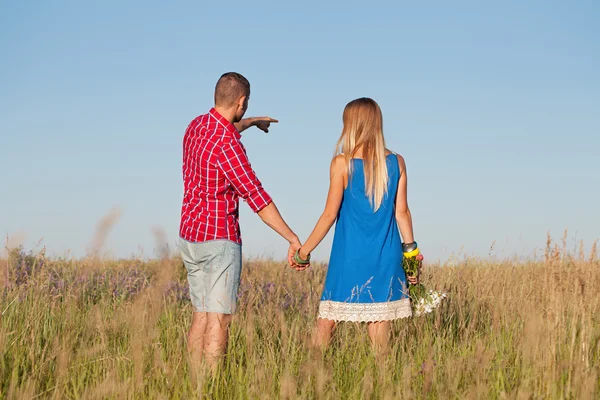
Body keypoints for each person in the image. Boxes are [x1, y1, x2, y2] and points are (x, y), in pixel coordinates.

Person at [179, 72, 302, 369]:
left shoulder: (196, 126)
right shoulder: (228, 145)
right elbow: (255, 196)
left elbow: (229, 127)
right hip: (219, 240)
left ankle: (191, 382)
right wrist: (292, 238)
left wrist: (252, 122)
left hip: (190, 237)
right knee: (219, 319)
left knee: (201, 314)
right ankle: (209, 385)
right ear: (242, 101)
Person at [293, 97, 423, 354]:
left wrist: (303, 252)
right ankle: (384, 386)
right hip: (387, 257)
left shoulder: (342, 163)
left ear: (350, 125)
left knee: (326, 325)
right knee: (379, 327)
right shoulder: (397, 163)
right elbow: (403, 213)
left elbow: (329, 215)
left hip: (349, 258)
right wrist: (411, 256)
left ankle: (310, 379)